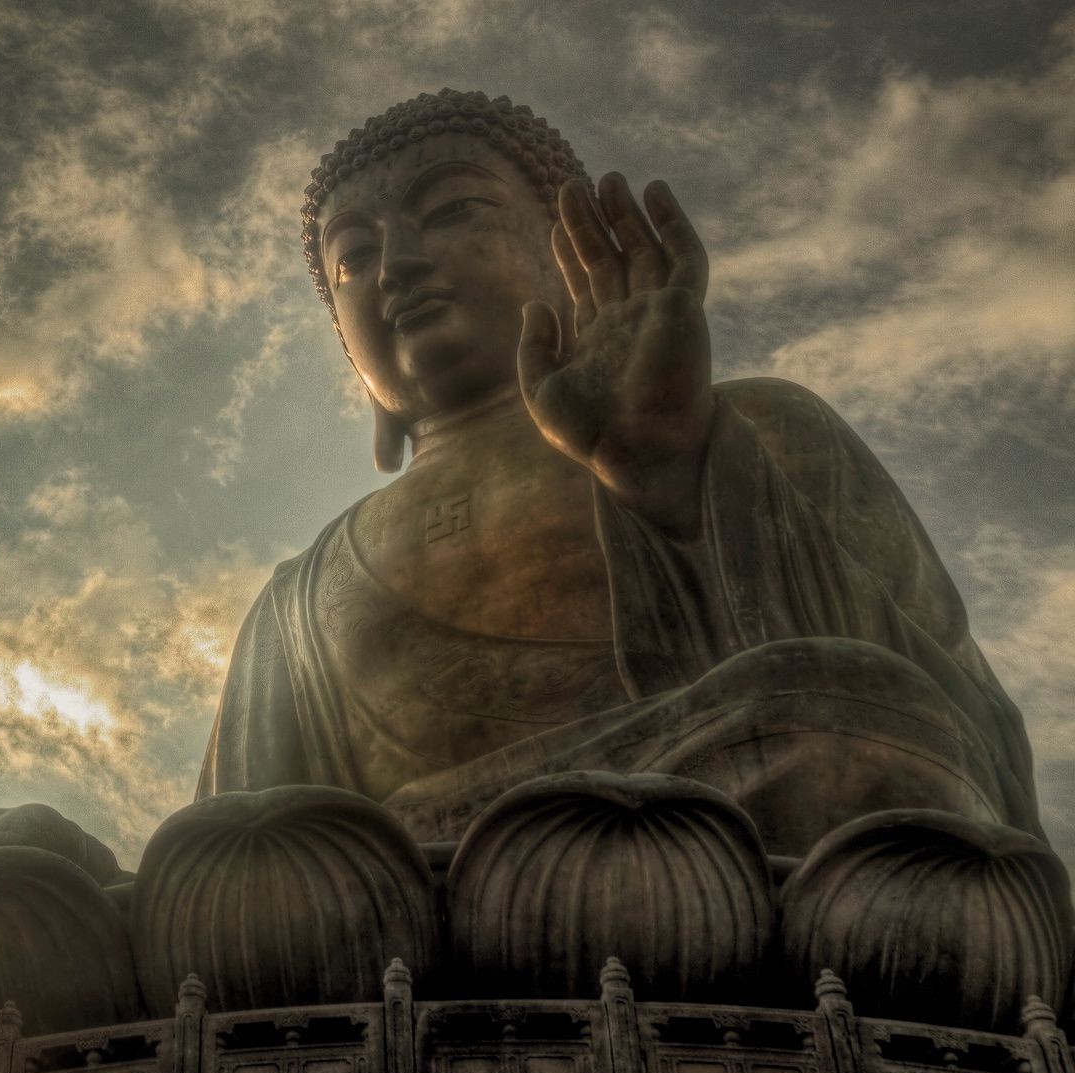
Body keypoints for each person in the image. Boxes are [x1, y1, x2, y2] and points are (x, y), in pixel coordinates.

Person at [199, 90, 1037, 855]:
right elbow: (239, 854)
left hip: (743, 848)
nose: (398, 265)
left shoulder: (761, 426)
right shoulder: (298, 602)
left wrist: (674, 473)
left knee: (859, 720)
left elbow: (962, 737)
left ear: (578, 257)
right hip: (408, 905)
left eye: (454, 209)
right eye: (352, 259)